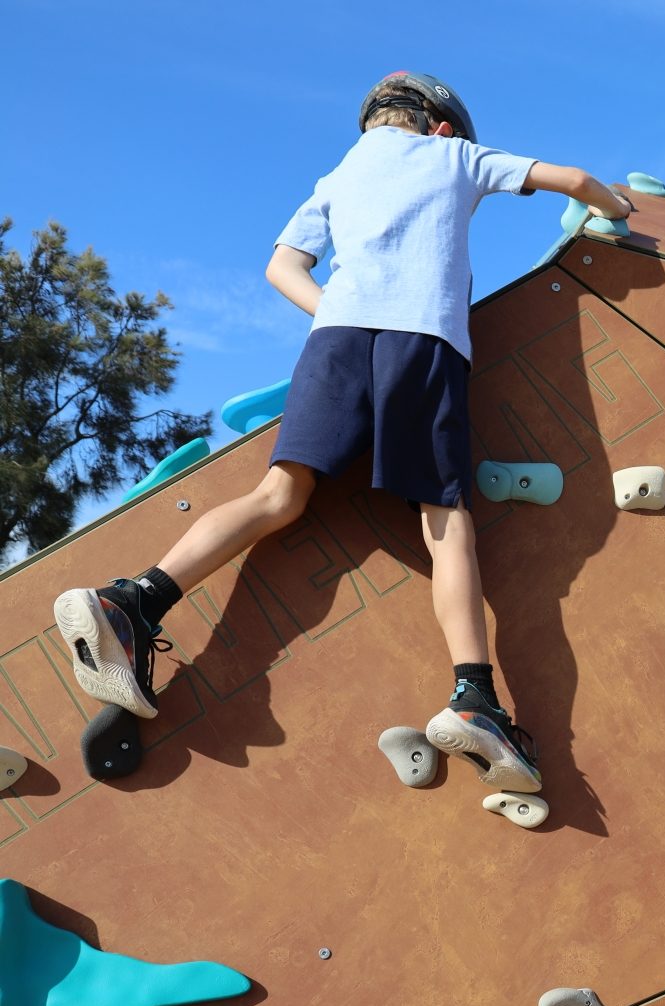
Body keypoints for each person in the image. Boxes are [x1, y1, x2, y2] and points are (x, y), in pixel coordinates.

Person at [52, 72, 633, 794]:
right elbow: (573, 178)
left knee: (278, 494)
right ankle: (476, 697)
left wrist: (338, 309)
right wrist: (618, 211)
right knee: (445, 519)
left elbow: (279, 265)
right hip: (422, 341)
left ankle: (132, 600)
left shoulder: (338, 174)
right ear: (442, 127)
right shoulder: (455, 158)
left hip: (334, 339)